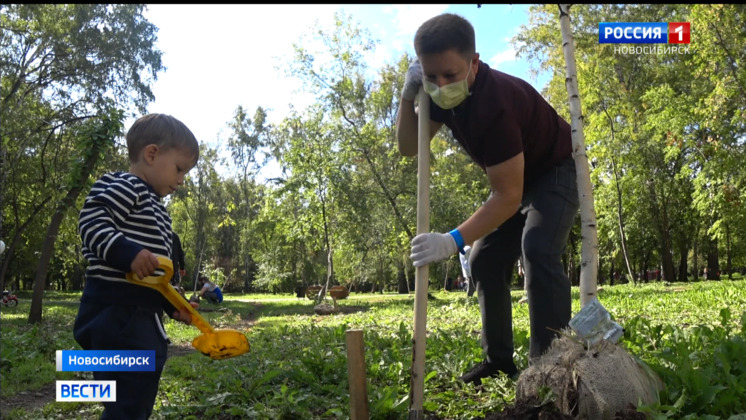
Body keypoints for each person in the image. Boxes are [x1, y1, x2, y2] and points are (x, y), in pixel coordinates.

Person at [397, 13, 579, 386]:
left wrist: (452, 241)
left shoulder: (495, 105)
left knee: (539, 249)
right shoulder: (441, 98)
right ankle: (499, 361)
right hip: (517, 178)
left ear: (474, 64)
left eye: (450, 75)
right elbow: (407, 147)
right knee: (483, 261)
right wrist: (407, 96)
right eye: (431, 77)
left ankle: (550, 368)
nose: (441, 84)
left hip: (558, 168)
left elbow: (507, 197)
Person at [73, 113, 200, 419]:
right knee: (127, 399)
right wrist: (125, 251)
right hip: (114, 313)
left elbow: (156, 276)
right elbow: (91, 222)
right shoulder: (125, 185)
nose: (182, 180)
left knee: (136, 397)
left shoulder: (158, 210)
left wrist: (172, 305)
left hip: (142, 318)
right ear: (152, 154)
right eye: (180, 169)